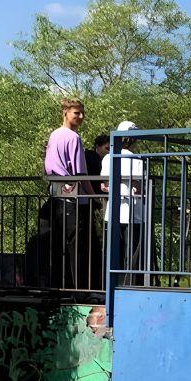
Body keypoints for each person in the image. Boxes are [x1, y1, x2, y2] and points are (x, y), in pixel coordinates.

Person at [44, 97, 98, 289]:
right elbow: (79, 173)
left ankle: (59, 286)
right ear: (65, 112)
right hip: (71, 195)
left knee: (58, 244)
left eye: (82, 113)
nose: (81, 117)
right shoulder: (73, 137)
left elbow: (49, 167)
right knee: (77, 246)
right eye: (77, 112)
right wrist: (94, 196)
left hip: (56, 192)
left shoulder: (53, 135)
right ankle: (79, 289)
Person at [101, 119, 148, 285]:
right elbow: (140, 186)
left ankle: (110, 284)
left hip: (113, 211)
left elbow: (104, 184)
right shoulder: (137, 159)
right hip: (133, 212)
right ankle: (131, 284)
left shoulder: (108, 158)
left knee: (113, 251)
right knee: (132, 251)